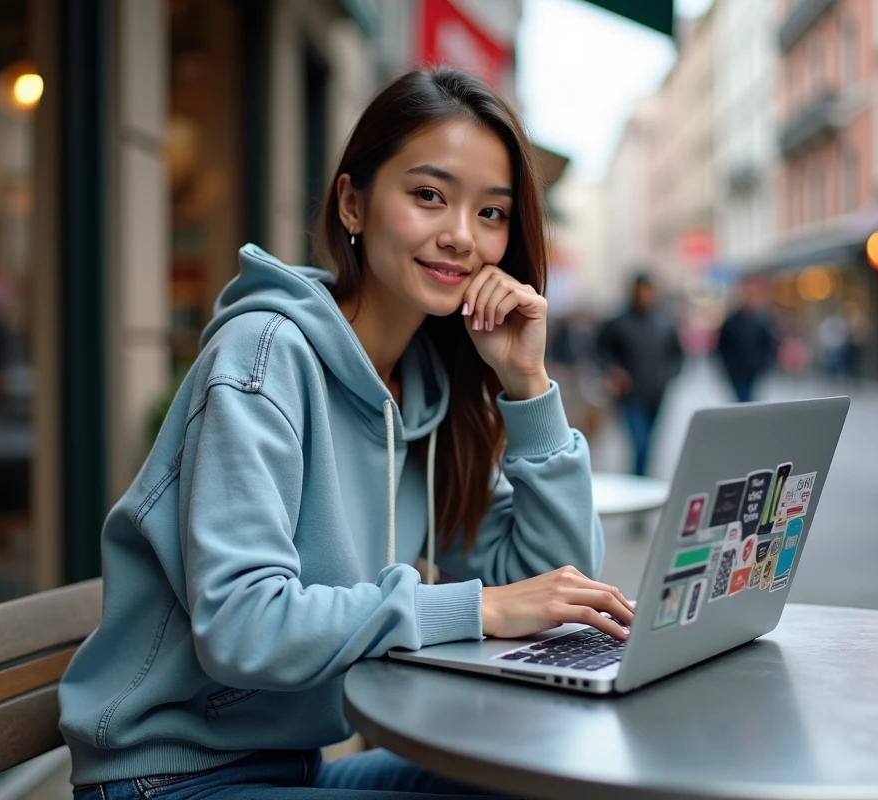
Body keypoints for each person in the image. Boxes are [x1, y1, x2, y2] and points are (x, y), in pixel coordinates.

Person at [59, 68, 624, 800]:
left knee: (547, 778)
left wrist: (528, 387)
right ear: (353, 203)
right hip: (167, 780)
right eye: (429, 196)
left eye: (491, 213)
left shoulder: (428, 388)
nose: (461, 236)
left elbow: (557, 588)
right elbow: (241, 624)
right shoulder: (263, 358)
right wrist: (475, 607)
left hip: (291, 769)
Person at [596, 274, 683, 476]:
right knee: (640, 443)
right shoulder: (618, 323)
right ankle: (639, 480)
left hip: (657, 394)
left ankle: (641, 480)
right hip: (630, 396)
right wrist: (613, 370)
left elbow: (677, 356)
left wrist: (667, 376)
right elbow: (601, 351)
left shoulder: (665, 324)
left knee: (650, 444)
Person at [716, 278, 778, 403]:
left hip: (753, 369)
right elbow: (722, 346)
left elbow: (768, 343)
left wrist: (764, 363)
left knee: (749, 399)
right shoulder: (731, 322)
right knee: (743, 398)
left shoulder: (760, 321)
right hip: (736, 370)